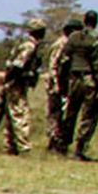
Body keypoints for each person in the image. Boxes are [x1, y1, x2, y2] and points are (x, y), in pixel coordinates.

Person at [58, 10, 98, 162]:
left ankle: (63, 145)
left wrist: (63, 80)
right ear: (96, 22)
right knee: (89, 115)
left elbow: (64, 60)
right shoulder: (97, 38)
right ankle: (80, 148)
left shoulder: (73, 37)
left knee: (71, 113)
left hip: (74, 78)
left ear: (84, 20)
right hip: (88, 78)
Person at [0, 19, 46, 155]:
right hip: (16, 84)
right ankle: (23, 147)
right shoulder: (29, 46)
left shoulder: (27, 44)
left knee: (11, 115)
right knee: (20, 115)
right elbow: (17, 67)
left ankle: (10, 146)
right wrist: (8, 81)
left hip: (16, 84)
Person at [43, 19, 80, 156]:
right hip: (57, 85)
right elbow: (53, 66)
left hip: (63, 84)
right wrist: (56, 85)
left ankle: (58, 142)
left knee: (61, 114)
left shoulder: (69, 44)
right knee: (56, 114)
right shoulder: (61, 44)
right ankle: (54, 142)